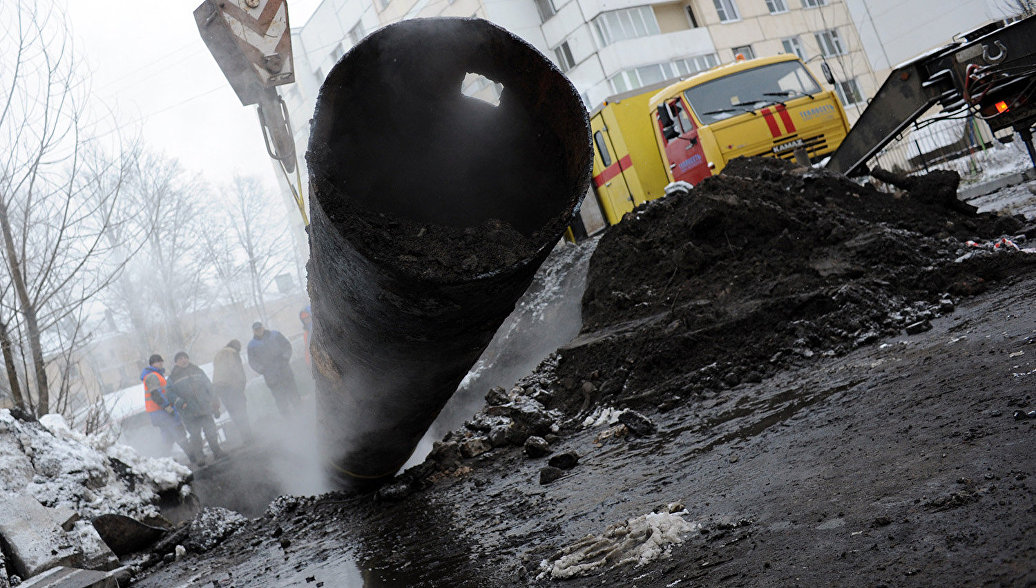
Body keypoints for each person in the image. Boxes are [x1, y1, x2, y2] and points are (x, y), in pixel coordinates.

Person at [168, 351, 226, 462]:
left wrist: (213, 399)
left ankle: (217, 451)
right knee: (195, 435)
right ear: (176, 362)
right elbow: (170, 394)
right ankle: (200, 457)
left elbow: (208, 385)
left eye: (185, 358)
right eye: (180, 359)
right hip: (189, 412)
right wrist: (181, 403)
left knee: (211, 431)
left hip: (204, 407)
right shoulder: (172, 377)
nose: (183, 360)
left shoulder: (197, 371)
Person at [141, 354, 195, 462]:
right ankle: (193, 457)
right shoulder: (153, 376)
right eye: (158, 362)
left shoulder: (156, 375)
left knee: (168, 438)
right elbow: (156, 394)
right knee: (179, 431)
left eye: (161, 361)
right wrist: (168, 408)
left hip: (157, 414)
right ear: (152, 364)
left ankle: (164, 462)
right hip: (162, 412)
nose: (160, 363)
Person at [247, 321, 300, 415]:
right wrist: (261, 369)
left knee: (294, 395)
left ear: (263, 327)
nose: (259, 331)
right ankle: (289, 421)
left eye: (260, 328)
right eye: (256, 330)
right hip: (271, 377)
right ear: (253, 331)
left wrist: (286, 357)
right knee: (281, 401)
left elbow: (287, 346)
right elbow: (252, 361)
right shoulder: (252, 345)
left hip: (285, 371)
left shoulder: (275, 335)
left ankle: (301, 414)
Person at [212, 339, 252, 442]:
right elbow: (237, 369)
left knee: (233, 412)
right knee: (241, 410)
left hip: (219, 387)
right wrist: (241, 385)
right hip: (231, 385)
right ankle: (248, 436)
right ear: (237, 347)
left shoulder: (218, 354)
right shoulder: (233, 352)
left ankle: (244, 435)